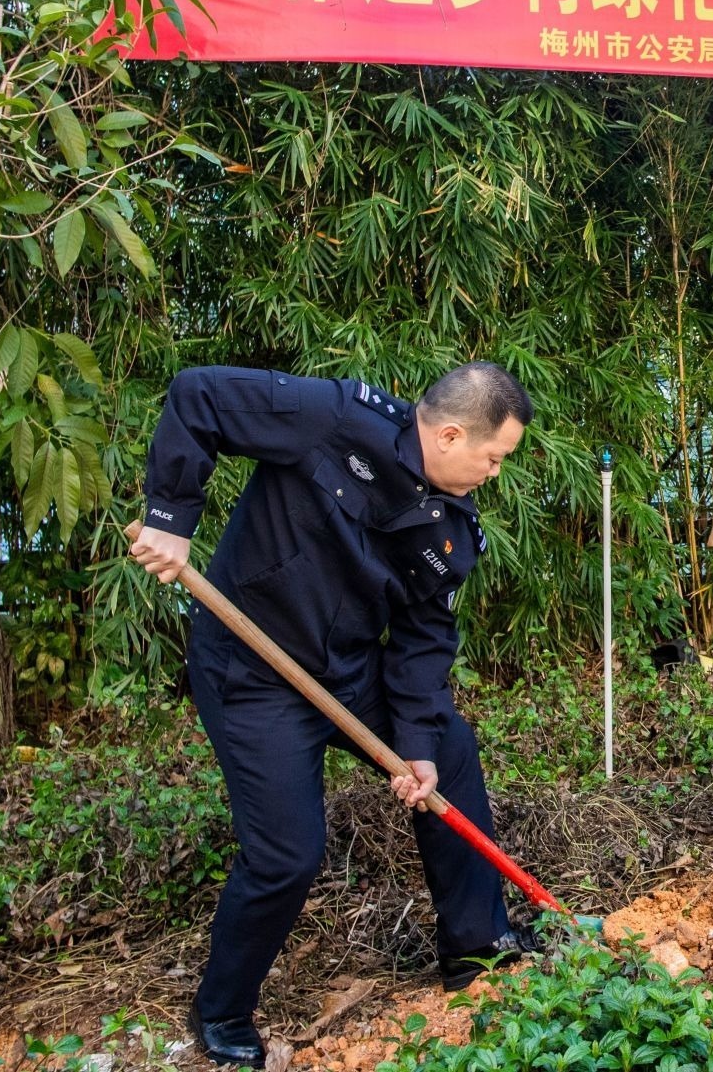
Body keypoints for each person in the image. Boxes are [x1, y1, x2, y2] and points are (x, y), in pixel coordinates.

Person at [130, 361, 539, 1068]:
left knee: (448, 746)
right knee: (288, 852)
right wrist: (171, 519)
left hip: (345, 670)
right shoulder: (333, 418)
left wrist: (416, 745)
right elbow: (200, 397)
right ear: (450, 435)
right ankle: (222, 1009)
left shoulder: (449, 526)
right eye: (494, 457)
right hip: (252, 668)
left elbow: (422, 641)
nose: (495, 473)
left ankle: (475, 946)